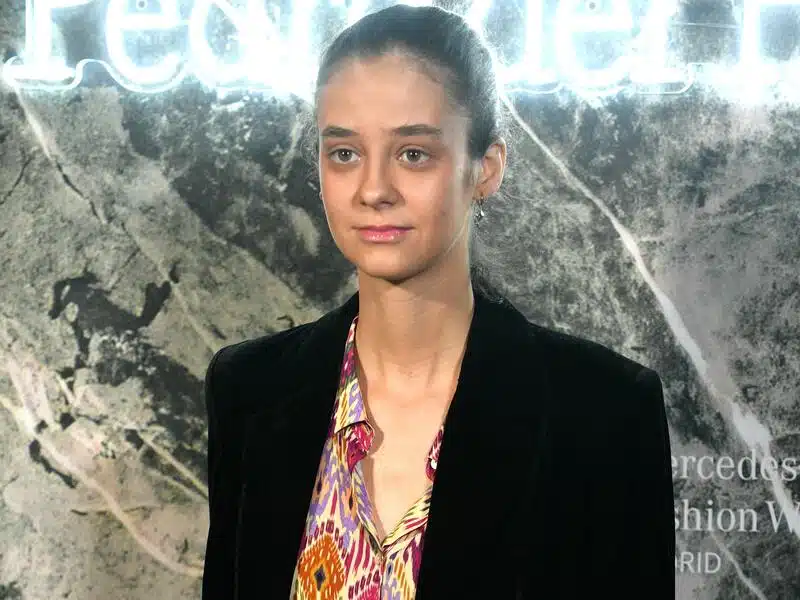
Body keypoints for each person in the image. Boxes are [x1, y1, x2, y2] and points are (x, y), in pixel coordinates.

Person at [201, 4, 675, 599]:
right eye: (344, 153)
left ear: (486, 169)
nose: (374, 190)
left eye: (413, 153)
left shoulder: (602, 413)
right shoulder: (249, 389)